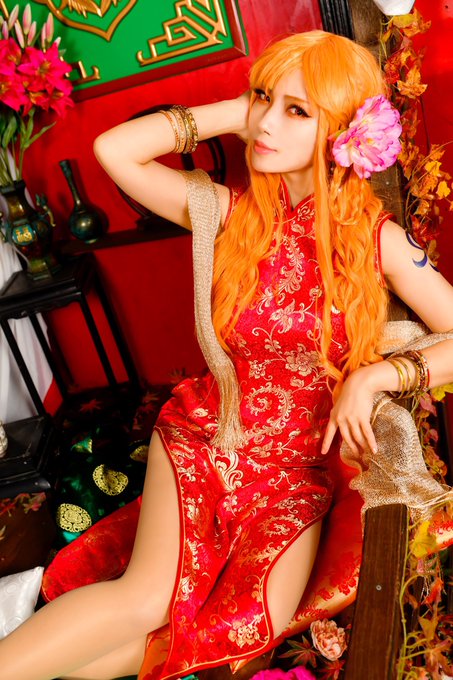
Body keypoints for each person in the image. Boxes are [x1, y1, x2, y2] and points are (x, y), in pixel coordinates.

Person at [1, 28, 453, 680]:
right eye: (263, 99)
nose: (266, 123)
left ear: (341, 131)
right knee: (145, 602)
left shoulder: (375, 241)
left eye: (296, 111)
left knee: (240, 631)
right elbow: (113, 150)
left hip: (294, 473)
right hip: (208, 436)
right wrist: (240, 111)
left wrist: (377, 376)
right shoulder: (226, 213)